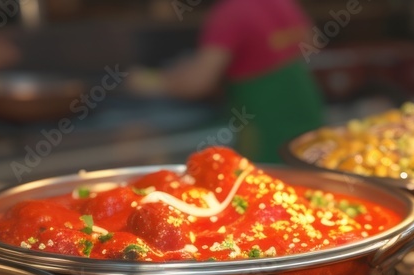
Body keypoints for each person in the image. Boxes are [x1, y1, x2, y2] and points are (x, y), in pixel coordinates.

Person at [130, 0, 326, 163]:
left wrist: (153, 81)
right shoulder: (280, 2)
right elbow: (313, 41)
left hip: (264, 127)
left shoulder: (230, 13)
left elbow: (198, 83)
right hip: (307, 114)